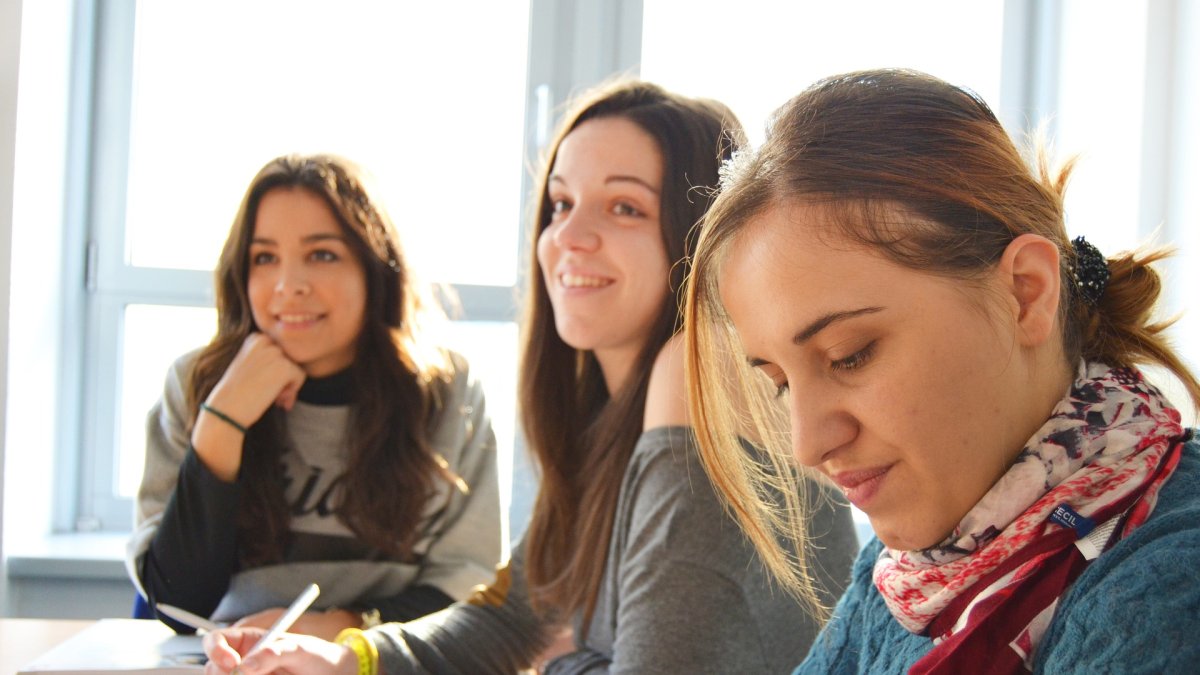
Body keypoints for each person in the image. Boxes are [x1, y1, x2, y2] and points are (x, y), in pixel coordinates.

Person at [202, 79, 859, 674]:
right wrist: (345, 659)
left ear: (697, 232)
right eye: (560, 203)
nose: (568, 236)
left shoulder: (695, 368)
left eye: (623, 208)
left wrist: (561, 666)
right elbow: (513, 616)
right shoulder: (608, 411)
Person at [684, 67, 1200, 674]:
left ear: (1026, 293)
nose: (807, 444)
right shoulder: (915, 564)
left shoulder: (1169, 583)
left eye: (851, 354)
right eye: (780, 382)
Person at [126, 153, 503, 641]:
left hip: (383, 662)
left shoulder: (446, 392)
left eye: (322, 254)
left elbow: (468, 587)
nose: (288, 286)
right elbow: (177, 606)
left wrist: (339, 629)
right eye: (264, 258)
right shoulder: (196, 383)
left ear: (375, 269)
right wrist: (222, 422)